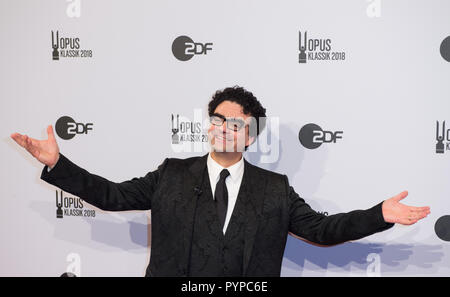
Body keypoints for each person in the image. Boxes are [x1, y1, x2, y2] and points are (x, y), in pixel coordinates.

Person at [11, 86, 430, 277]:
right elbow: (112, 195)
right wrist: (59, 163)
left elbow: (321, 230)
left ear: (249, 136)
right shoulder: (170, 175)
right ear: (208, 127)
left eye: (235, 124)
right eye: (217, 120)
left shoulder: (274, 188)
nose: (224, 128)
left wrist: (379, 214)